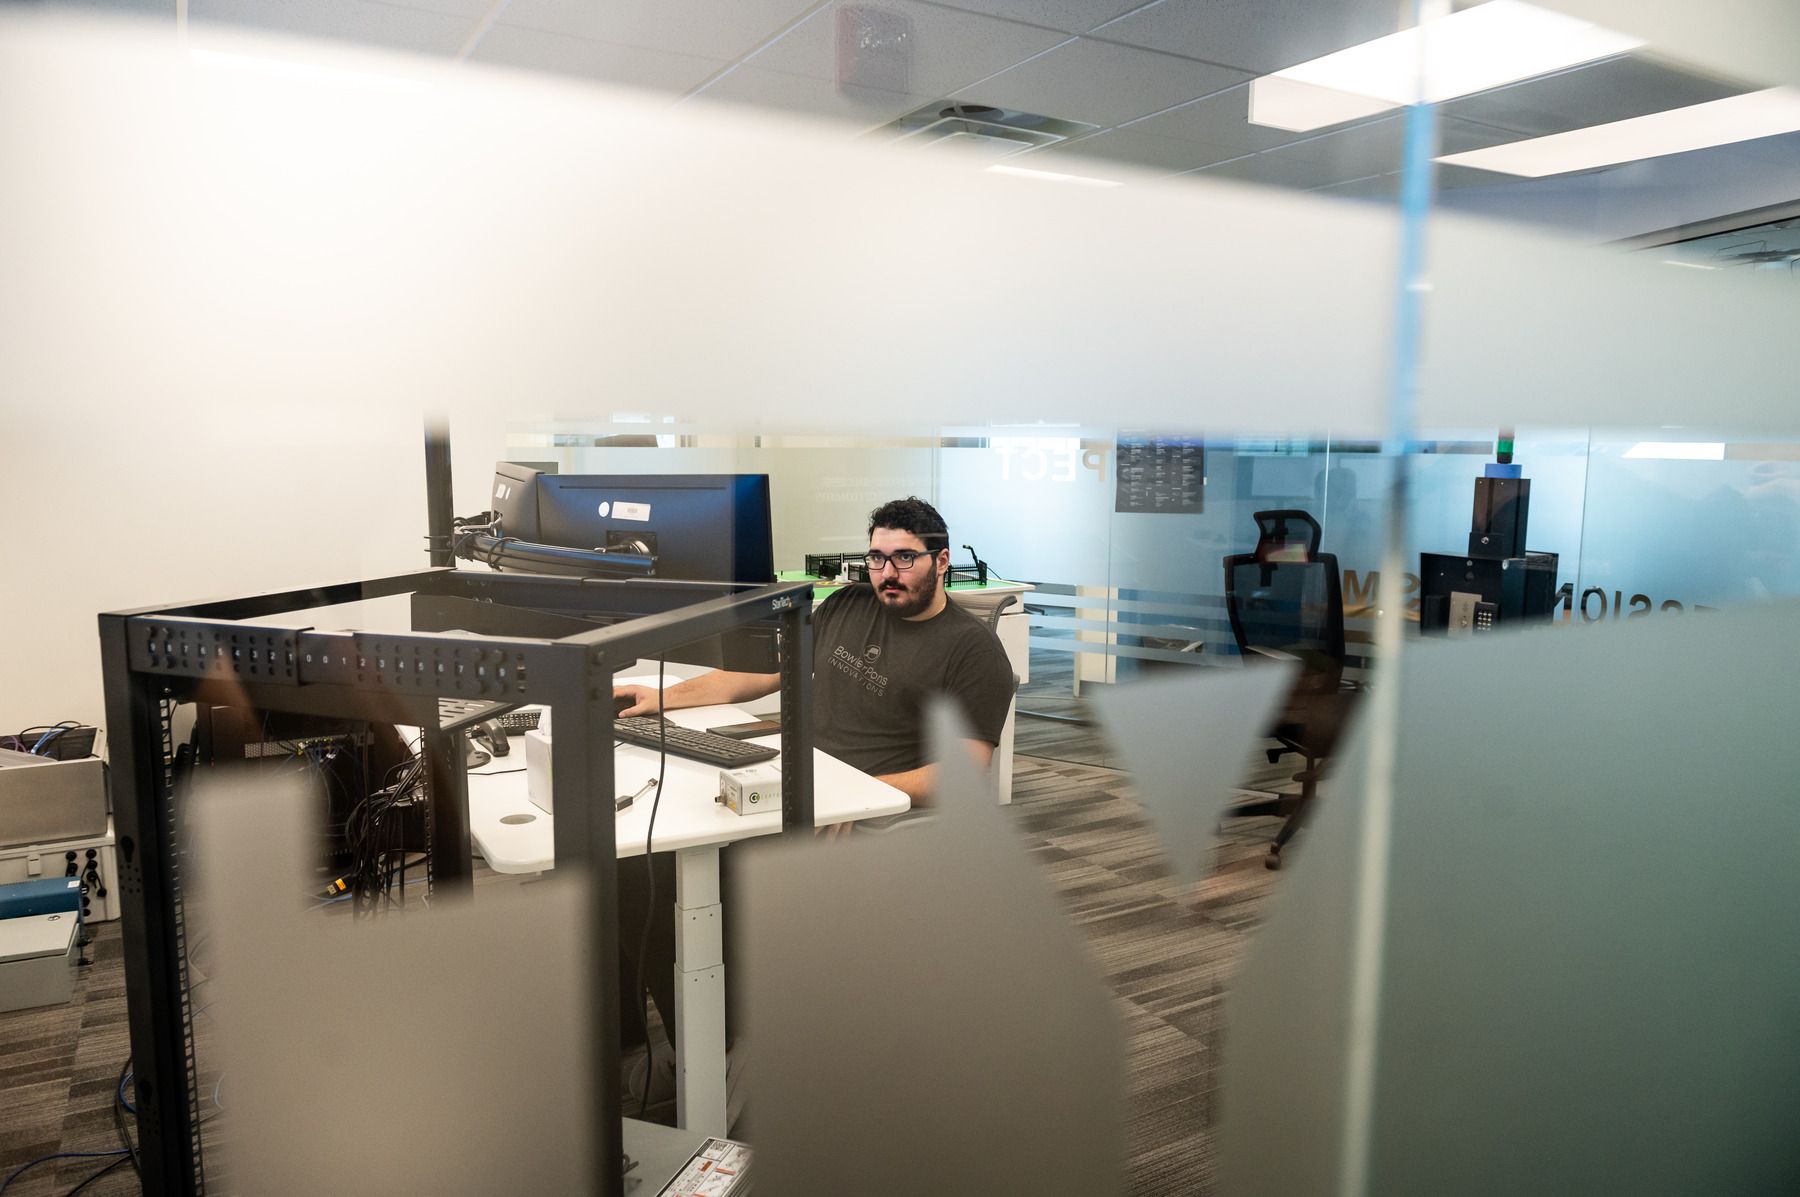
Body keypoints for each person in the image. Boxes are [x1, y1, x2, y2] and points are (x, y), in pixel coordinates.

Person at [614, 496, 1014, 804]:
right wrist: (663, 697)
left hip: (863, 802)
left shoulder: (974, 652)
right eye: (877, 558)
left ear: (942, 561)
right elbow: (763, 671)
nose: (888, 574)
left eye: (905, 558)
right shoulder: (848, 603)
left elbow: (963, 774)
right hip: (799, 779)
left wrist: (856, 795)